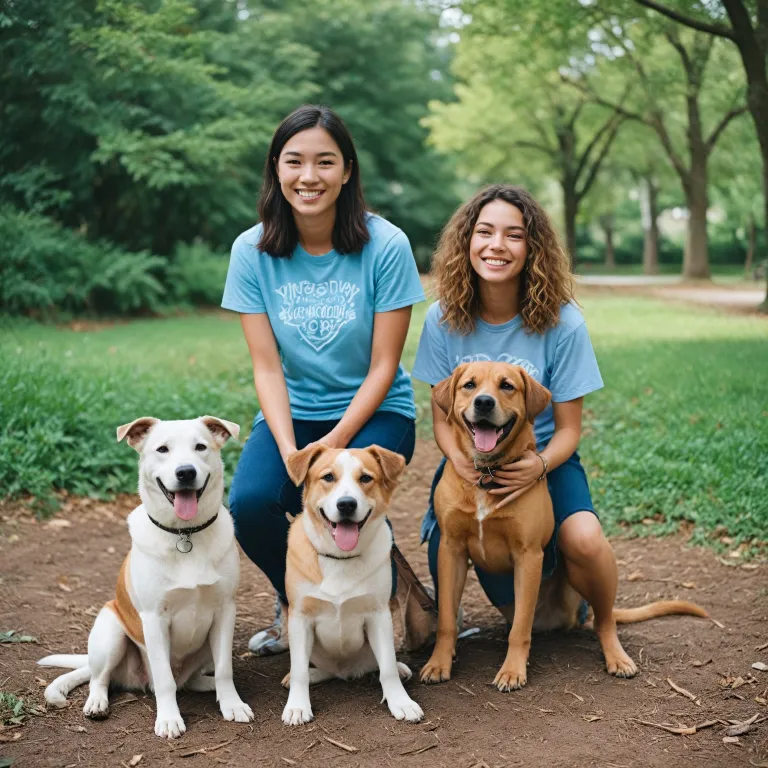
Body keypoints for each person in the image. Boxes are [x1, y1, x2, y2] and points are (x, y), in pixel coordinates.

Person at [221, 105, 426, 655]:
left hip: (377, 409)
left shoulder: (386, 245)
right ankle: (298, 604)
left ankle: (380, 609)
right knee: (253, 503)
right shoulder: (251, 251)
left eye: (325, 162)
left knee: (350, 493)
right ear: (276, 168)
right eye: (294, 161)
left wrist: (333, 445)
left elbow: (384, 365)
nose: (308, 176)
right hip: (294, 411)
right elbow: (267, 366)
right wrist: (293, 450)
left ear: (348, 170)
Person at [411, 184, 636, 677]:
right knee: (525, 604)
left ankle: (606, 628)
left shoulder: (563, 321)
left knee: (583, 538)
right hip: (468, 460)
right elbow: (442, 417)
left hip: (544, 457)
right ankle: (451, 637)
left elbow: (570, 429)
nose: (497, 245)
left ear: (533, 248)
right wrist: (460, 461)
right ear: (467, 241)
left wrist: (537, 466)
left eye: (514, 235)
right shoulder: (443, 318)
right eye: (485, 232)